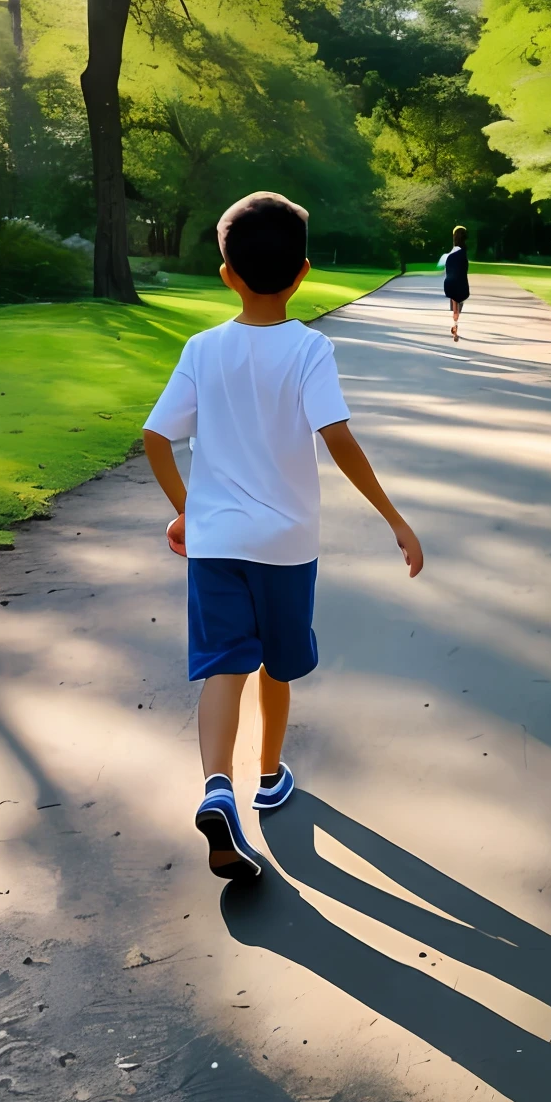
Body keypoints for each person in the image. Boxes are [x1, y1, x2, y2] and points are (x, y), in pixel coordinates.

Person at [142, 192, 423, 883]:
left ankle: (217, 790)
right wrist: (394, 517)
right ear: (301, 273)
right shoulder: (309, 348)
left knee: (221, 665)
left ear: (225, 273)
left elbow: (155, 437)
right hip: (287, 546)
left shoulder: (203, 349)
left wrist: (190, 511)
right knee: (277, 664)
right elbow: (338, 436)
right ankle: (268, 777)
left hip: (216, 546)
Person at [443, 224, 469, 340]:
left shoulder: (452, 253)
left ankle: (455, 323)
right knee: (457, 305)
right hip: (460, 283)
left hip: (451, 282)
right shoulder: (463, 253)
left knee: (455, 305)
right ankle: (455, 324)